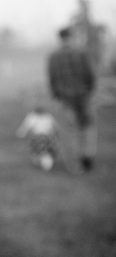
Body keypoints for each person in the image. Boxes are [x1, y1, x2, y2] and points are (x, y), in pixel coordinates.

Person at [48, 26, 97, 171]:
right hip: (84, 96)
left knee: (69, 130)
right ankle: (87, 156)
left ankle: (74, 164)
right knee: (87, 127)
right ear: (71, 36)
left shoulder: (54, 56)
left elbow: (52, 79)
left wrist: (56, 95)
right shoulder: (81, 53)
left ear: (60, 38)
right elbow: (91, 75)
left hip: (65, 98)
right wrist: (89, 91)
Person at [16, 105, 60, 171]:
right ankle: (42, 161)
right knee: (39, 151)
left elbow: (55, 127)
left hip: (45, 138)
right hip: (39, 138)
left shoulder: (48, 116)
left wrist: (21, 133)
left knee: (44, 151)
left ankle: (45, 161)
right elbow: (25, 127)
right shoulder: (32, 116)